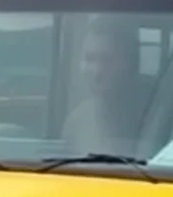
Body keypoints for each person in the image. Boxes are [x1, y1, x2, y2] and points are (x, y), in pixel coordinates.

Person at [61, 17, 145, 156]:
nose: (97, 71)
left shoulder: (156, 114)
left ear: (130, 62)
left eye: (108, 59)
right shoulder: (77, 121)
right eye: (90, 59)